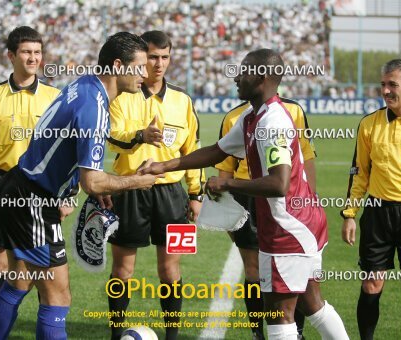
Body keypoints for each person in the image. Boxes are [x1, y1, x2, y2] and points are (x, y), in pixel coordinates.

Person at [139, 49, 349, 340]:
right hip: (303, 223)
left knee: (278, 314)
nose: (236, 77)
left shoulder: (272, 122)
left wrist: (228, 185)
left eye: (244, 71)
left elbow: (278, 183)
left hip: (289, 228)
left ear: (261, 77)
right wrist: (164, 165)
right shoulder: (253, 117)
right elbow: (217, 151)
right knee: (312, 304)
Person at [0, 32, 160, 339]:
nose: (145, 74)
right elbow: (91, 181)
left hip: (20, 187)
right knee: (58, 297)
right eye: (140, 66)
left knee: (20, 280)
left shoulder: (85, 86)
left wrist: (90, 187)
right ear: (118, 66)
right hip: (34, 202)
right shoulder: (94, 107)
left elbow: (70, 152)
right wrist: (137, 181)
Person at [106, 30, 204, 340]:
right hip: (130, 190)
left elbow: (193, 150)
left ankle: (172, 334)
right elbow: (113, 139)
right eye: (152, 57)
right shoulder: (123, 97)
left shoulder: (182, 100)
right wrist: (140, 136)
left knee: (171, 269)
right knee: (123, 270)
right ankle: (115, 331)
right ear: (140, 58)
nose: (158, 64)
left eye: (164, 57)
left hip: (173, 194)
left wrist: (195, 193)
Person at [0, 26, 61, 338]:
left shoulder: (54, 97)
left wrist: (66, 194)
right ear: (11, 55)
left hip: (40, 189)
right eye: (26, 52)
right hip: (0, 186)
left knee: (41, 267)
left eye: (37, 52)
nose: (33, 58)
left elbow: (64, 150)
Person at [341, 59, 401, 340]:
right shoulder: (369, 124)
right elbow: (359, 173)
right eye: (383, 84)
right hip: (377, 211)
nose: (385, 90)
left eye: (392, 84)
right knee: (371, 283)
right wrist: (349, 214)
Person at [215, 98, 317, 340]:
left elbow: (307, 156)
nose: (240, 80)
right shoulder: (234, 116)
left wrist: (308, 201)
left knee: (292, 270)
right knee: (253, 272)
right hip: (246, 196)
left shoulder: (293, 111)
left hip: (287, 196)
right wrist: (229, 213)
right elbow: (225, 165)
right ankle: (257, 333)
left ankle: (296, 332)